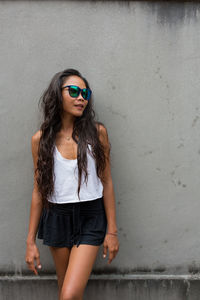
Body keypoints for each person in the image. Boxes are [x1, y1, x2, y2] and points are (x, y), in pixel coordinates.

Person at [25, 68, 119, 300]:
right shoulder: (41, 139)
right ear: (58, 94)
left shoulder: (97, 133)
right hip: (56, 216)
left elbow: (106, 181)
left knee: (69, 294)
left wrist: (112, 231)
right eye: (74, 91)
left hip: (91, 216)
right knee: (64, 290)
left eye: (85, 94)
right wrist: (30, 241)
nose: (81, 98)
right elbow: (38, 190)